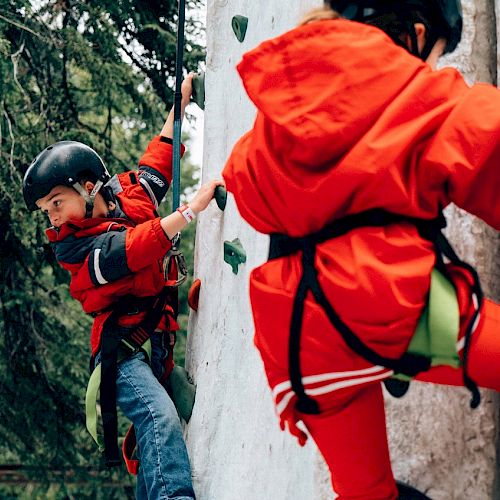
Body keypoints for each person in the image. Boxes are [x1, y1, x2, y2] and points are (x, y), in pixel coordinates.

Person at [222, 1, 500, 499]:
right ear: (417, 34)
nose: (432, 68)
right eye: (434, 55)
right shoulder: (413, 90)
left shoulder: (276, 115)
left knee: (363, 491)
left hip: (299, 343)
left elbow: (244, 185)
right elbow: (486, 142)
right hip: (394, 308)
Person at [23, 73, 224, 500]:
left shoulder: (129, 197)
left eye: (56, 203)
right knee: (159, 420)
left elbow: (158, 159)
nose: (52, 218)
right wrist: (191, 211)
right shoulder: (76, 251)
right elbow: (135, 248)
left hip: (155, 347)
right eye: (46, 210)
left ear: (89, 186)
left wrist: (181, 102)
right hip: (123, 356)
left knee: (155, 433)